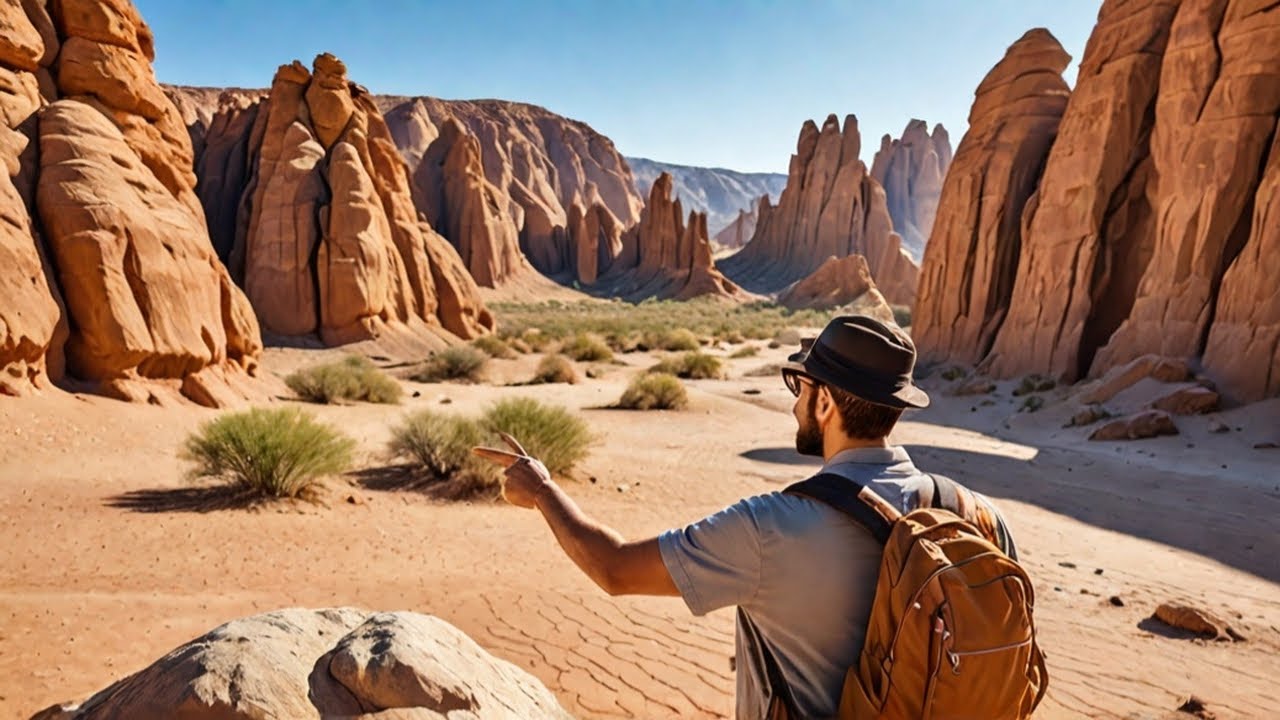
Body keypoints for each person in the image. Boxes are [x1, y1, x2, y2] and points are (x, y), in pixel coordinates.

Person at [474, 315, 1017, 719]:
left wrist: (542, 490)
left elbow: (614, 568)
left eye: (800, 388)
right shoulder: (978, 516)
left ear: (825, 402)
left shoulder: (770, 528)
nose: (794, 404)